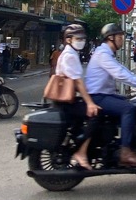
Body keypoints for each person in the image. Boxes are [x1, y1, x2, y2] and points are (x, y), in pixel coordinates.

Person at [85, 23, 136, 167]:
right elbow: (119, 73)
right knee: (128, 109)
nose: (122, 39)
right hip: (98, 96)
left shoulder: (106, 53)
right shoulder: (103, 54)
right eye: (120, 36)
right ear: (111, 38)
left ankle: (128, 143)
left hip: (103, 94)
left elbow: (122, 69)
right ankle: (126, 152)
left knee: (133, 102)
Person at [56, 24, 100, 170]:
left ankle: (82, 145)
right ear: (68, 40)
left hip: (66, 99)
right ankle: (81, 152)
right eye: (78, 38)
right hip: (65, 102)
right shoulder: (69, 55)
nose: (81, 41)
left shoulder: (71, 53)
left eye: (83, 38)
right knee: (95, 114)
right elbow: (78, 82)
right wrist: (90, 103)